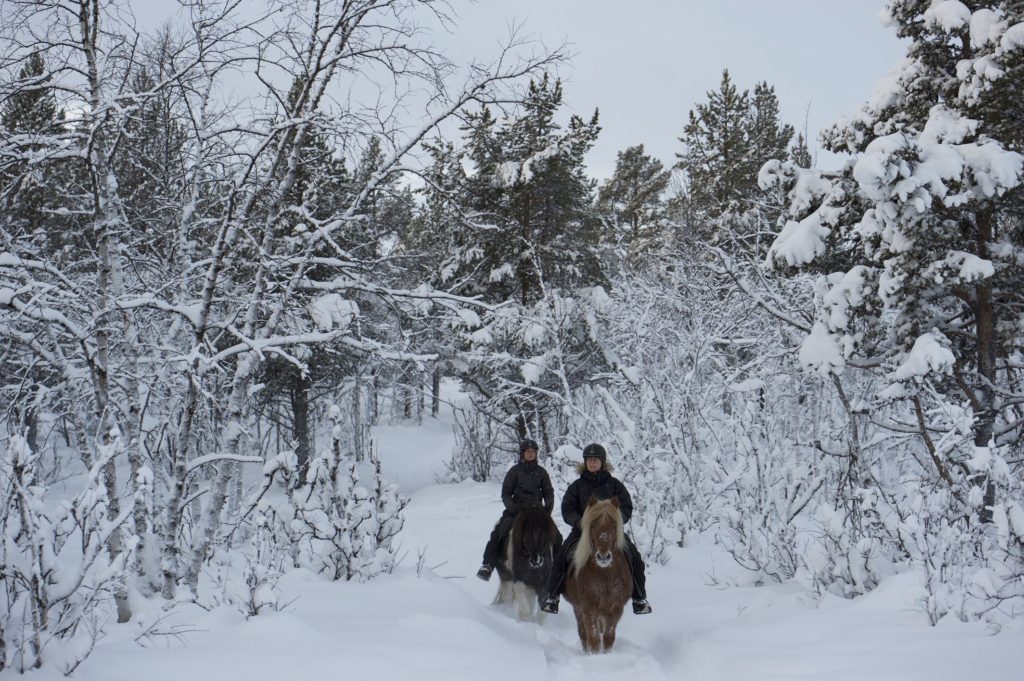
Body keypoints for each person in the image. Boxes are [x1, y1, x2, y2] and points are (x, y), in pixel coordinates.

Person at [540, 443, 652, 615]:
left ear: (602, 462)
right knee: (563, 556)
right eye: (589, 460)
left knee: (634, 556)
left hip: (611, 533)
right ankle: (552, 597)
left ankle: (639, 599)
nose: (592, 463)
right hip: (582, 532)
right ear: (585, 462)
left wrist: (614, 522)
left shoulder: (614, 485)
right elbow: (567, 509)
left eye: (596, 460)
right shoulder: (576, 487)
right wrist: (580, 523)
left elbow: (627, 507)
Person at [476, 438, 556, 580]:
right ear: (522, 454)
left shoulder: (542, 473)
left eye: (533, 452)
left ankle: (558, 566)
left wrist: (546, 510)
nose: (530, 454)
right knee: (500, 531)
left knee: (556, 535)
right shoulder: (514, 471)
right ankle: (488, 565)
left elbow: (549, 492)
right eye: (527, 452)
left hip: (537, 513)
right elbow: (506, 492)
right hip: (516, 510)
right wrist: (512, 507)